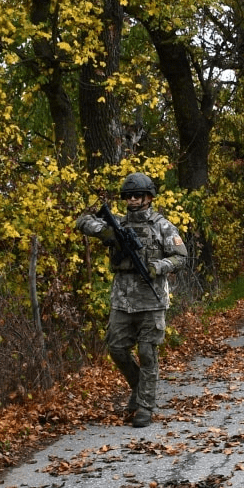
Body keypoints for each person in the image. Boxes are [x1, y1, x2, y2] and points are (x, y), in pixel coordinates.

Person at [76, 173, 188, 428]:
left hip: (152, 299)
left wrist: (157, 267)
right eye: (128, 196)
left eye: (138, 195)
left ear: (149, 197)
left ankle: (145, 406)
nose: (133, 200)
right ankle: (139, 388)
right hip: (123, 300)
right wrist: (106, 232)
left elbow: (181, 257)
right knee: (116, 348)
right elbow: (82, 221)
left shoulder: (163, 226)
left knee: (147, 353)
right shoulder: (118, 223)